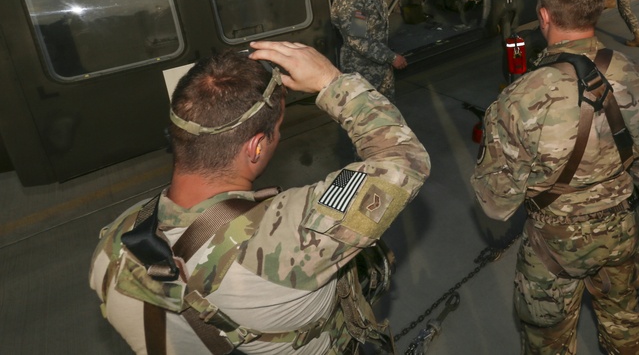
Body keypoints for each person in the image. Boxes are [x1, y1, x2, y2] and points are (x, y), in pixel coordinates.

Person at [89, 41, 431, 354]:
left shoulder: (113, 246)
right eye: (278, 128)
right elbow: (402, 160)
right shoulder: (288, 237)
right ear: (255, 146)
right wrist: (331, 80)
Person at [470, 0, 639, 354]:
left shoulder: (520, 99)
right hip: (620, 234)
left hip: (552, 247)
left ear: (544, 15)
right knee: (625, 324)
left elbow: (495, 204)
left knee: (549, 344)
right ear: (598, 7)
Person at [331, 0, 415, 100]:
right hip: (363, 73)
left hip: (381, 67)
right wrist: (392, 57)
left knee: (388, 114)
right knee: (366, 119)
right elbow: (358, 39)